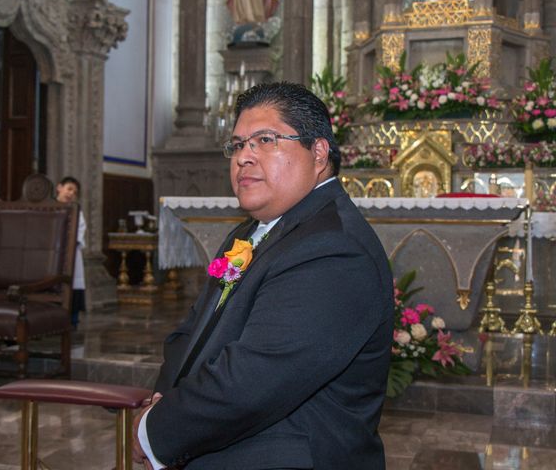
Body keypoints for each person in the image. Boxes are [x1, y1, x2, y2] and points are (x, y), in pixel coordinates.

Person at [133, 82, 394, 469]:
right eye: (237, 145)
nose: (244, 157)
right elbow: (190, 333)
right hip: (222, 441)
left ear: (318, 152)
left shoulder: (333, 248)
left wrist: (154, 432)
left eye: (265, 140)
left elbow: (254, 379)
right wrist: (163, 402)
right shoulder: (248, 232)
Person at [56, 176, 87, 329]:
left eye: (74, 192)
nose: (70, 193)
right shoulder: (48, 207)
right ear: (59, 187)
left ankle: (72, 321)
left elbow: (79, 231)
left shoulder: (76, 212)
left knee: (72, 287)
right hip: (51, 254)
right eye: (69, 189)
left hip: (70, 254)